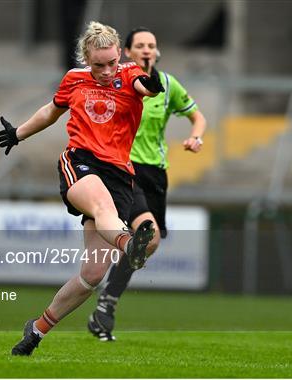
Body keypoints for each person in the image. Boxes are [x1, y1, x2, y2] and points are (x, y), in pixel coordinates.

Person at [0, 21, 165, 356]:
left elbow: (147, 87)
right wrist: (19, 134)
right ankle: (129, 243)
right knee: (102, 207)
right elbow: (51, 111)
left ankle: (37, 330)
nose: (105, 71)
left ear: (120, 56)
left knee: (93, 274)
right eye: (98, 65)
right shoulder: (75, 79)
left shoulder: (129, 74)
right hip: (81, 162)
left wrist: (152, 78)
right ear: (86, 58)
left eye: (111, 63)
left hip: (120, 175)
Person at [87, 27, 207, 342]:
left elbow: (198, 117)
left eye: (151, 45)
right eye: (139, 45)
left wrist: (196, 136)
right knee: (145, 234)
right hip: (125, 169)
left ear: (156, 51)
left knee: (149, 243)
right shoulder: (117, 82)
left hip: (156, 174)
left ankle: (107, 301)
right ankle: (104, 298)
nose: (146, 50)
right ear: (127, 51)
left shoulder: (167, 85)